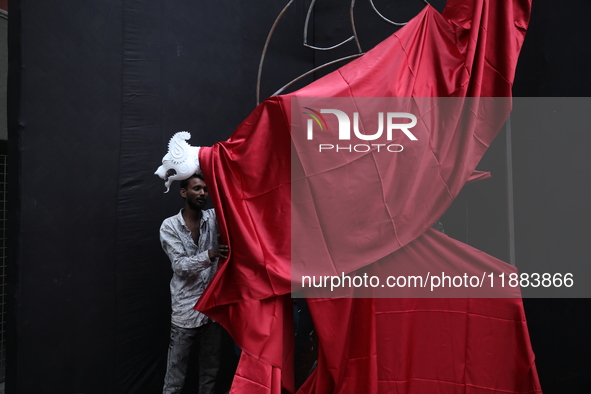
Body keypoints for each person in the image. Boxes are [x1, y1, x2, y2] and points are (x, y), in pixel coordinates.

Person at [159, 173, 229, 394]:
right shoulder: (169, 226)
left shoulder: (214, 218)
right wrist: (210, 254)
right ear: (183, 192)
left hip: (212, 311)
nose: (202, 193)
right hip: (185, 314)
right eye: (197, 189)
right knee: (174, 380)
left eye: (205, 190)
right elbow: (179, 266)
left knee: (210, 376)